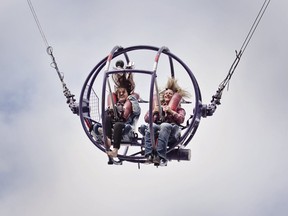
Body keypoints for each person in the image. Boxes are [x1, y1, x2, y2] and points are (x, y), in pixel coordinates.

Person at [144, 78, 189, 165]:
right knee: (151, 126)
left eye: (170, 94)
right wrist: (154, 112)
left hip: (171, 130)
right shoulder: (157, 107)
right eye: (166, 94)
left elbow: (181, 119)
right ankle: (149, 155)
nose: (167, 95)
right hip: (157, 128)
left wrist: (171, 112)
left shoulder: (179, 109)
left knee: (165, 125)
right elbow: (146, 119)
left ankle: (160, 156)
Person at [103, 60, 141, 158]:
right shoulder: (115, 102)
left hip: (125, 125)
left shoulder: (131, 102)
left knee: (118, 125)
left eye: (123, 91)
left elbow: (137, 112)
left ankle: (115, 150)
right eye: (119, 92)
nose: (121, 93)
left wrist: (132, 99)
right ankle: (107, 138)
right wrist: (111, 109)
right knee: (106, 116)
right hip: (113, 120)